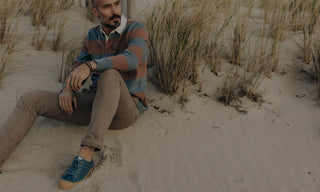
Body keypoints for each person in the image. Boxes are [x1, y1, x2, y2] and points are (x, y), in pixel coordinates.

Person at [0, 0, 148, 190]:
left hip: (126, 109)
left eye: (117, 4)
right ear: (95, 11)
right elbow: (78, 65)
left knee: (110, 74)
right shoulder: (92, 35)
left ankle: (86, 155)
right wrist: (67, 88)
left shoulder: (136, 29)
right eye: (107, 6)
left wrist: (92, 65)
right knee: (30, 99)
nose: (115, 10)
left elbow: (132, 59)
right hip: (96, 105)